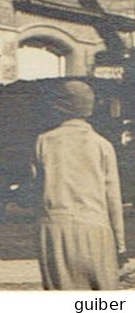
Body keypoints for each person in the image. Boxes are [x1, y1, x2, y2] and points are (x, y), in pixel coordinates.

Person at [32, 79, 126, 290]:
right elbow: (113, 199)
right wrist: (120, 245)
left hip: (54, 229)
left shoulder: (43, 141)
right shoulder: (103, 146)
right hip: (95, 229)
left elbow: (36, 191)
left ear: (59, 108)